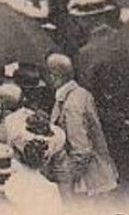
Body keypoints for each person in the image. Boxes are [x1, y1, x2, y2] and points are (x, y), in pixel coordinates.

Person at [44, 52, 118, 201]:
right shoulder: (80, 93)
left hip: (86, 184)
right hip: (99, 175)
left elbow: (81, 150)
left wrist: (67, 181)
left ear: (54, 75)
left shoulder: (70, 105)